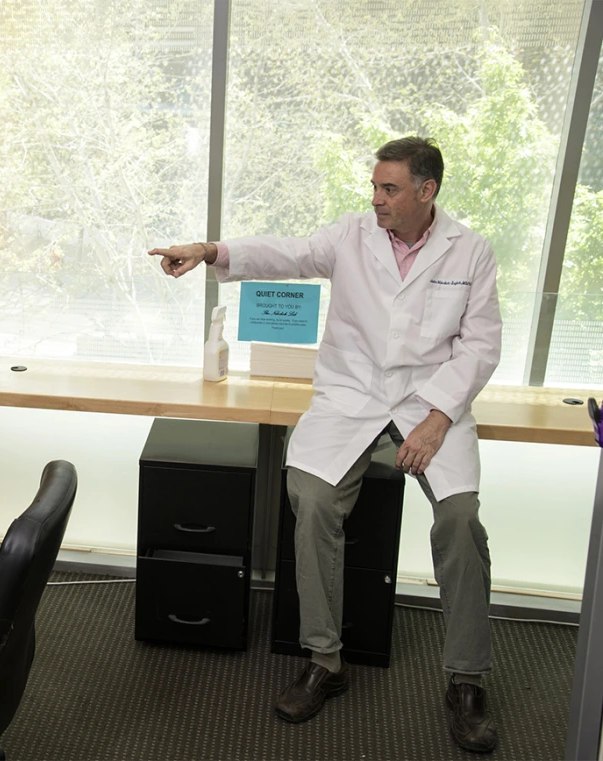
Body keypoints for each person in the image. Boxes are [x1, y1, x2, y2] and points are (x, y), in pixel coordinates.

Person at [150, 137, 502, 753]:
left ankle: (465, 679)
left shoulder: (470, 251)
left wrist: (439, 417)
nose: (376, 199)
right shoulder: (351, 235)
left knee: (461, 520)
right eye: (374, 186)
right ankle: (325, 660)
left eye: (390, 189)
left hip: (430, 403)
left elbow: (480, 345)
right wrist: (208, 251)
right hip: (352, 396)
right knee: (310, 500)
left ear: (427, 191)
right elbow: (285, 254)